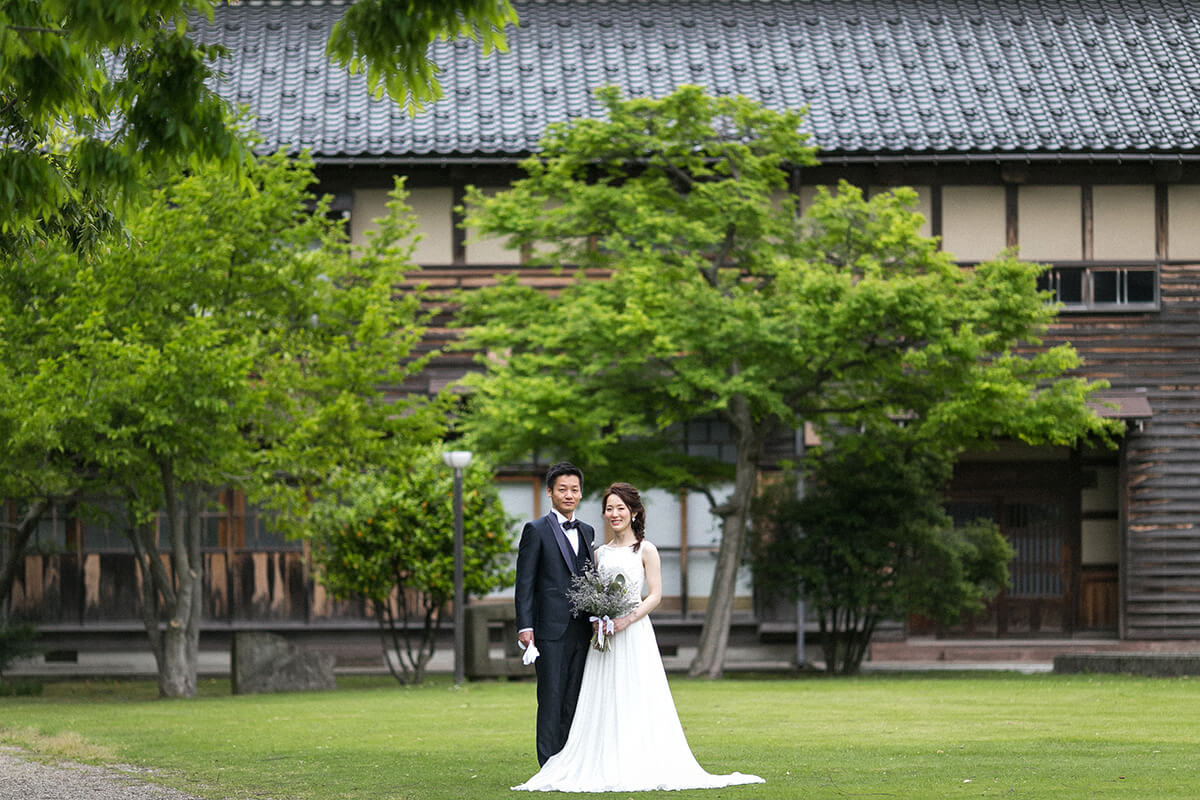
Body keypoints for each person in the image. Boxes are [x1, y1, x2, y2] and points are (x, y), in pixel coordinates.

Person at [513, 482, 765, 792]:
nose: (614, 514)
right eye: (609, 508)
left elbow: (656, 595)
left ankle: (637, 757)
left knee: (637, 696)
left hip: (634, 634)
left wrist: (625, 620)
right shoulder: (598, 551)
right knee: (599, 700)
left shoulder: (646, 550)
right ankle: (596, 758)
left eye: (620, 508)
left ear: (634, 512)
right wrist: (599, 616)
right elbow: (586, 589)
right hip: (602, 639)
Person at [515, 461, 597, 767]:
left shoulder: (587, 531)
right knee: (550, 697)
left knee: (574, 699)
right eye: (562, 489)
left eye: (574, 489)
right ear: (550, 492)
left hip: (582, 629)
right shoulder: (535, 530)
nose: (569, 494)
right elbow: (524, 583)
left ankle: (569, 764)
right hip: (549, 630)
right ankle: (548, 765)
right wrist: (525, 626)